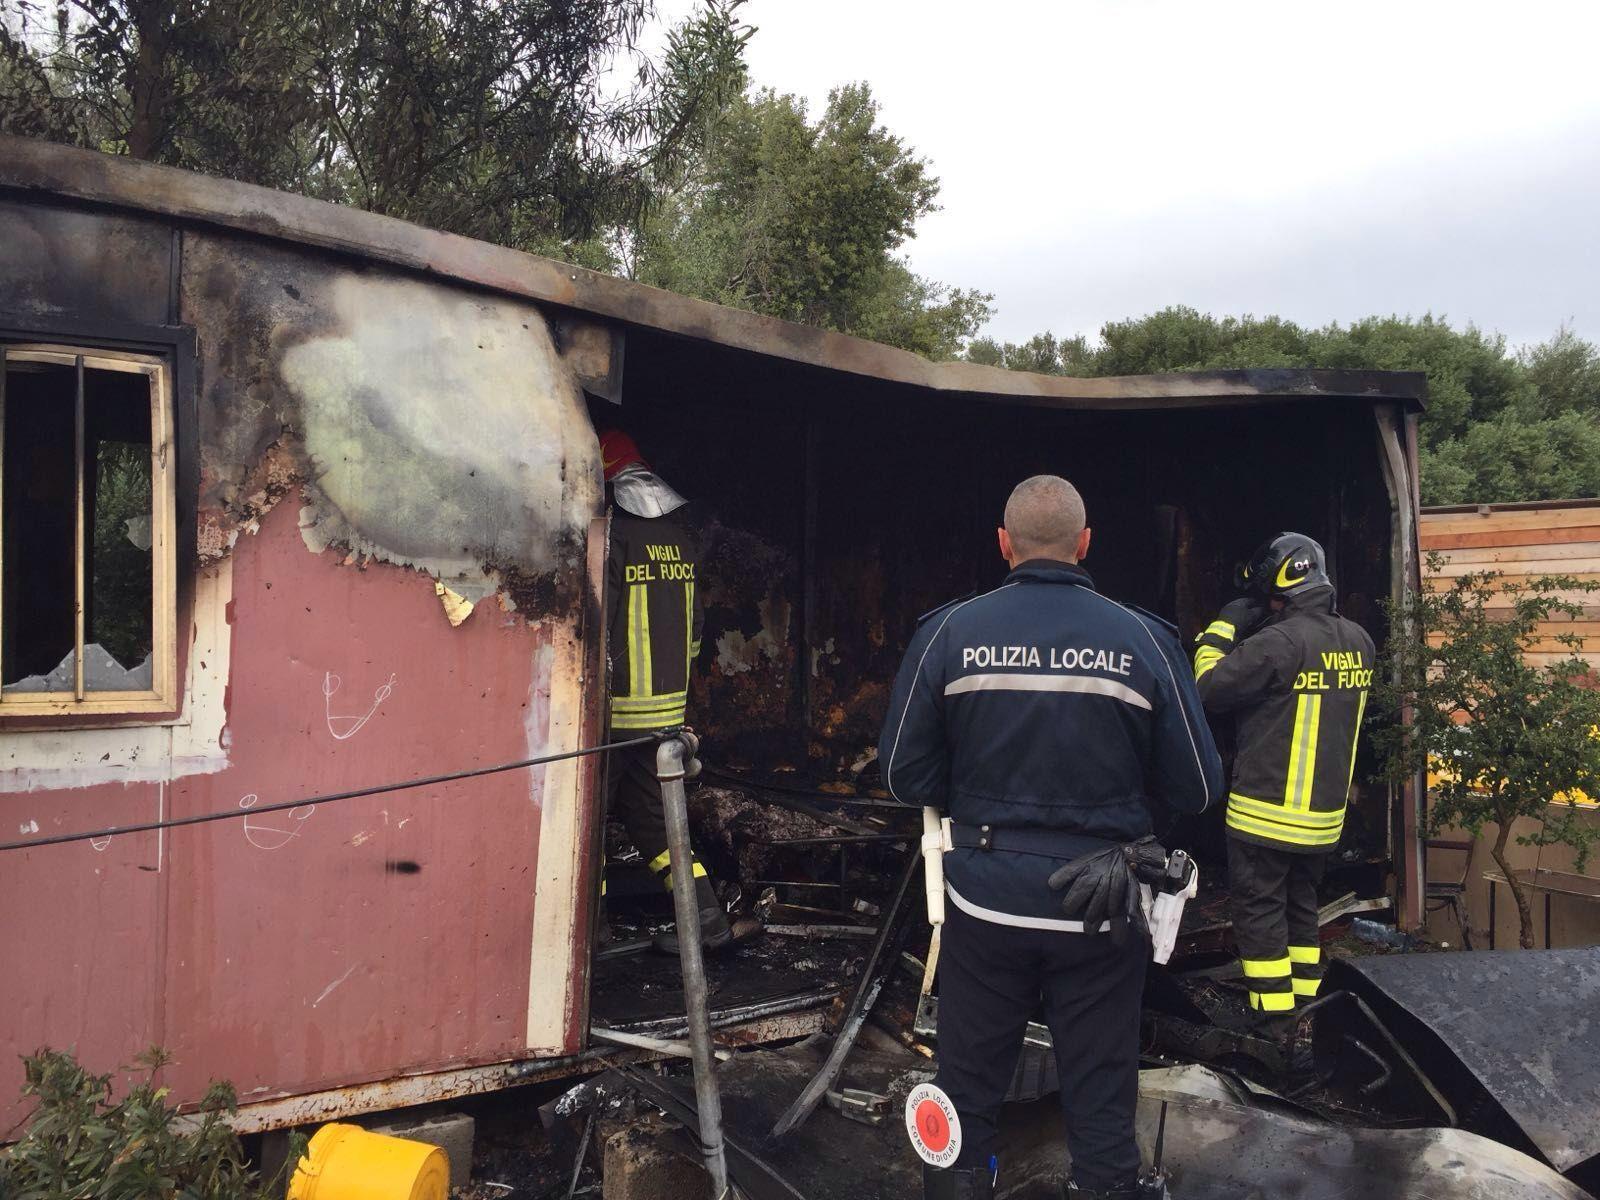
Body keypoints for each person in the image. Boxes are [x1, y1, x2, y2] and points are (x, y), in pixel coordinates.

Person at [880, 475, 1223, 1200]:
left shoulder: (948, 632)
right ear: (1084, 544)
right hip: (1100, 907)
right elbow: (1196, 785)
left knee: (967, 1084)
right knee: (1100, 1087)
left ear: (1003, 544)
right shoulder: (1146, 639)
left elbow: (904, 777)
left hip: (984, 900)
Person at [1191, 533, 1374, 1020]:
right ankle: (1310, 1006)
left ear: (1278, 587)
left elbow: (1206, 687)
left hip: (1265, 815)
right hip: (1323, 820)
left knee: (1260, 911)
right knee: (1301, 908)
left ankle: (1273, 1018)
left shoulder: (1277, 642)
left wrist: (1225, 627)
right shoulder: (1360, 641)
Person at [599, 429, 732, 954]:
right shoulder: (681, 540)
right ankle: (704, 919)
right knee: (655, 822)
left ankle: (590, 936)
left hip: (610, 719)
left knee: (584, 831)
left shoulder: (607, 539)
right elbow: (696, 630)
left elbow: (595, 627)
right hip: (666, 717)